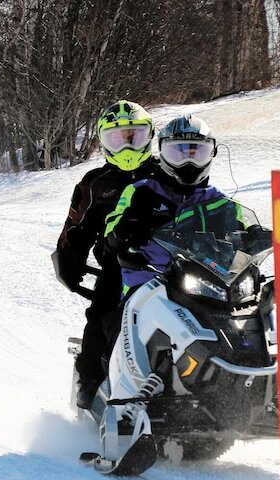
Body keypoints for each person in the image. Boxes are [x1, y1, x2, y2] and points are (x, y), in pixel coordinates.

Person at [53, 100, 158, 410]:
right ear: (103, 141)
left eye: (134, 137)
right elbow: (75, 227)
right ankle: (89, 381)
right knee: (101, 314)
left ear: (148, 137)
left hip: (170, 264)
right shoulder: (94, 184)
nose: (126, 146)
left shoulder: (165, 175)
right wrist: (69, 262)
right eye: (117, 138)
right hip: (119, 266)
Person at [103, 114, 226, 297]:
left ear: (211, 153)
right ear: (162, 152)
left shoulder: (218, 200)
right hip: (147, 287)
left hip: (205, 290)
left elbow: (241, 236)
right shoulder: (140, 191)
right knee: (105, 322)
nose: (188, 163)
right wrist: (124, 229)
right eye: (178, 153)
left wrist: (255, 235)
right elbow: (110, 235)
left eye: (197, 154)